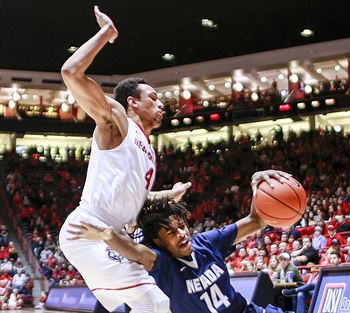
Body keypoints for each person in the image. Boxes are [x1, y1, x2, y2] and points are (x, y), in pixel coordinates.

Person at [58, 6, 191, 313]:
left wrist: (170, 193)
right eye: (153, 99)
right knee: (155, 302)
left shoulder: (148, 148)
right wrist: (106, 33)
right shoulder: (118, 121)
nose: (161, 106)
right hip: (89, 230)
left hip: (111, 235)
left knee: (140, 300)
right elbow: (70, 72)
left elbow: (137, 197)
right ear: (132, 102)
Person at [67, 170, 294, 313]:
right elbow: (134, 251)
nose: (182, 234)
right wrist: (106, 235)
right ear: (157, 240)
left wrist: (259, 185)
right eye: (172, 232)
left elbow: (255, 221)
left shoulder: (207, 242)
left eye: (182, 227)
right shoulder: (162, 263)